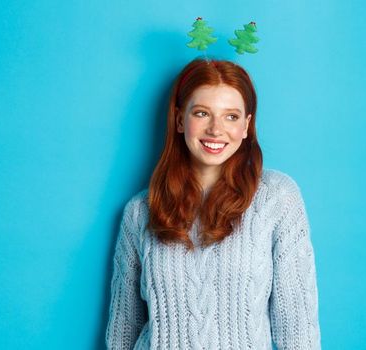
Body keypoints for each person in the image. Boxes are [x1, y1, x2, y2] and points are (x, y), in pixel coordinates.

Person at [105, 58, 321, 349]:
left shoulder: (277, 198)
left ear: (247, 126)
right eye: (202, 113)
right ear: (180, 119)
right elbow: (123, 331)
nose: (216, 129)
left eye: (231, 116)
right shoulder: (140, 211)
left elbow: (297, 326)